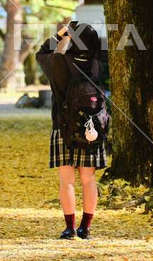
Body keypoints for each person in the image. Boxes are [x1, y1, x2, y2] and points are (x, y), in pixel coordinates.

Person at [36, 22, 108, 240]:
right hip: (92, 128)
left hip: (63, 127)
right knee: (89, 180)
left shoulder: (58, 62)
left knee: (66, 180)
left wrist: (60, 35)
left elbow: (42, 52)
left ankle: (70, 229)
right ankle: (86, 228)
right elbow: (99, 46)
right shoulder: (98, 64)